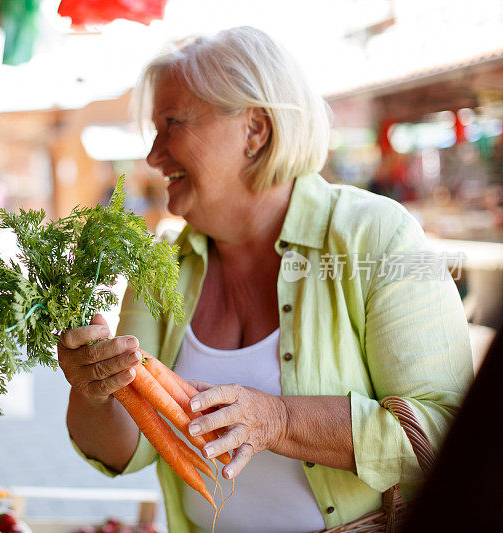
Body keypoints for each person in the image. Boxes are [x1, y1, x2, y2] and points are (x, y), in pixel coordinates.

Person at [57, 27, 473, 533]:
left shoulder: (376, 236)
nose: (153, 155)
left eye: (171, 124)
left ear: (255, 130)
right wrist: (94, 390)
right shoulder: (163, 262)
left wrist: (277, 420)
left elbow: (451, 434)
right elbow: (125, 451)